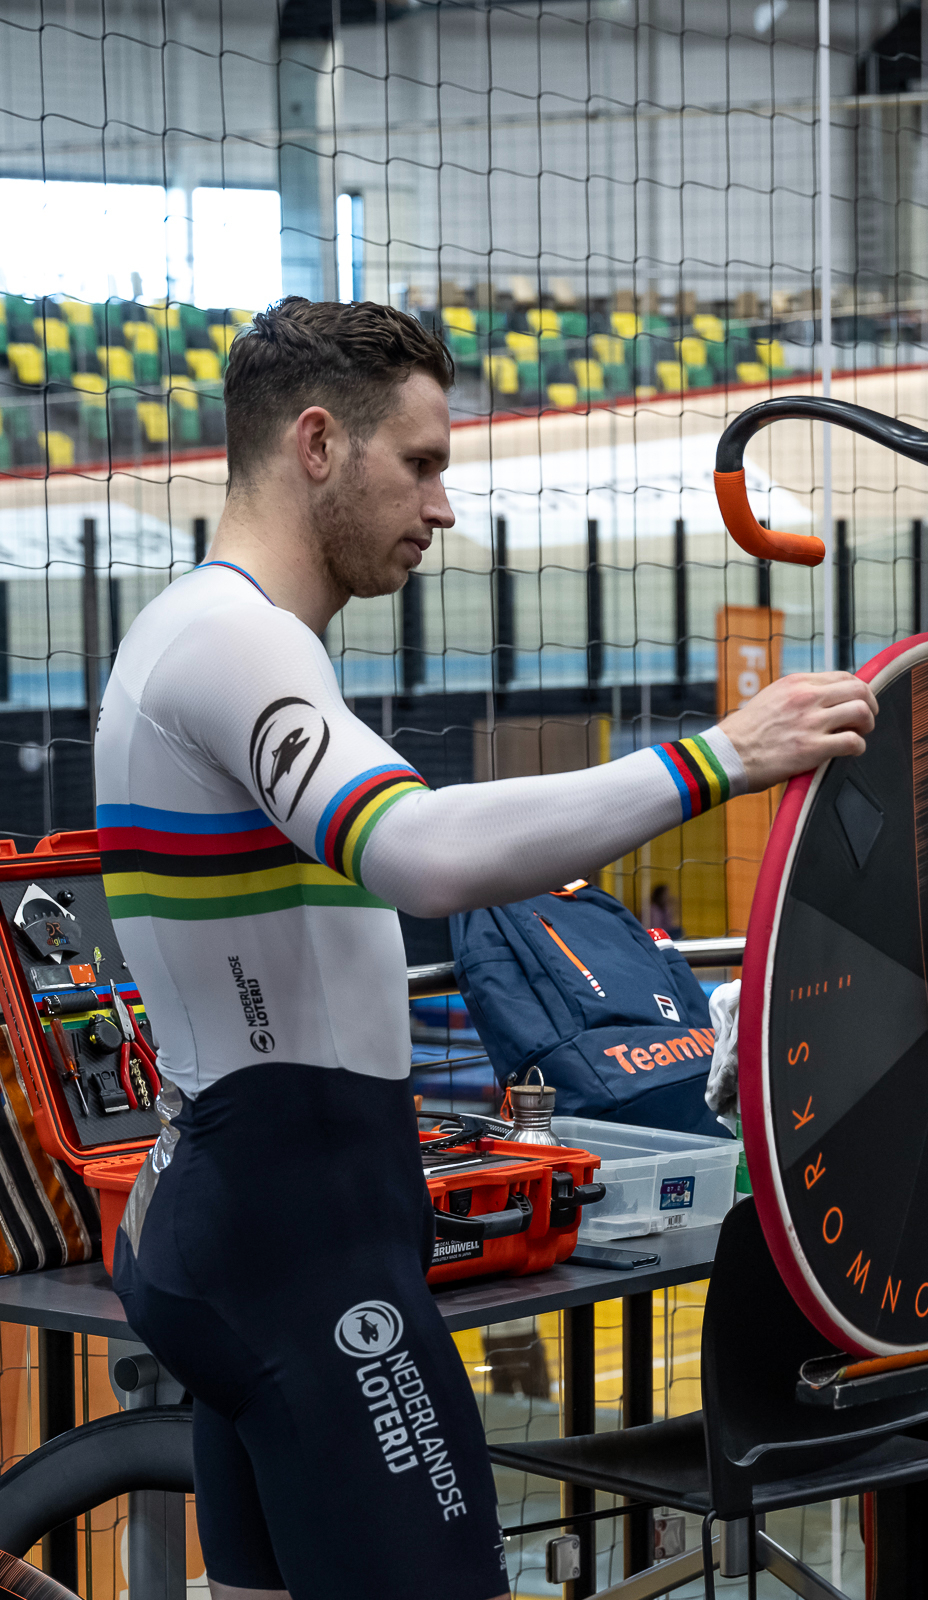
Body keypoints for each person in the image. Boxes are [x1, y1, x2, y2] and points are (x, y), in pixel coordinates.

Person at [97, 298, 876, 1600]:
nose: (445, 506)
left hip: (255, 1226)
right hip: (300, 1251)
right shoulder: (232, 641)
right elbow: (424, 854)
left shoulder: (217, 637)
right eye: (423, 462)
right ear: (316, 445)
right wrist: (721, 756)